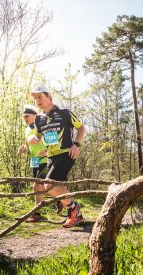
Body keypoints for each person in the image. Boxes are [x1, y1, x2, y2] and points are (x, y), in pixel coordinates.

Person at [27, 85, 86, 228]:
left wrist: (76, 144)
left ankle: (73, 208)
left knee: (49, 184)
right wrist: (32, 139)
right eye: (36, 99)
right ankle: (76, 216)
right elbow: (37, 136)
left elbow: (81, 128)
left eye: (40, 97)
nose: (38, 101)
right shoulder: (39, 119)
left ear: (49, 96)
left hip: (66, 153)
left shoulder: (64, 113)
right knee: (57, 187)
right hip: (50, 157)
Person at [18, 105, 48, 222]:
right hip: (34, 161)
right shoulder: (26, 130)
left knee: (38, 186)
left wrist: (46, 151)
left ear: (35, 116)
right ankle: (60, 200)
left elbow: (53, 140)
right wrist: (23, 148)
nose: (25, 118)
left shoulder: (41, 126)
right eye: (24, 116)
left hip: (45, 159)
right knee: (40, 187)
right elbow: (27, 144)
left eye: (27, 116)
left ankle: (36, 214)